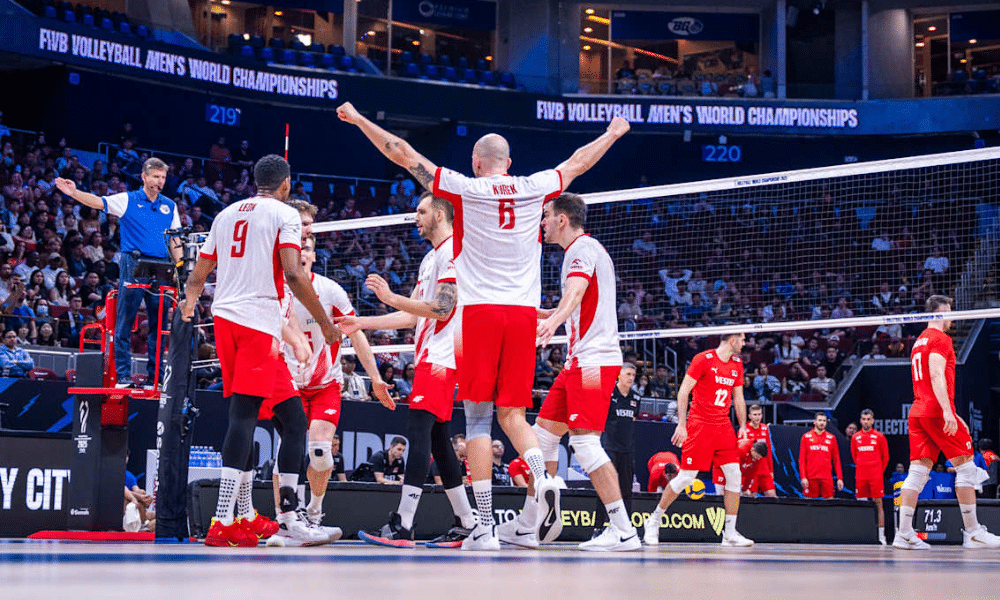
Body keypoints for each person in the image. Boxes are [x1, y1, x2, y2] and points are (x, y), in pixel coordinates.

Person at [337, 101, 630, 550]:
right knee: (513, 414)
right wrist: (612, 135)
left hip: (479, 313)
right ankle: (541, 478)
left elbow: (402, 152)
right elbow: (578, 162)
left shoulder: (463, 188)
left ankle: (484, 529)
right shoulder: (536, 187)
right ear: (509, 164)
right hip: (522, 315)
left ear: (477, 164)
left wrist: (358, 121)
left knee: (477, 418)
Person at [180, 155, 339, 548]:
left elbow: (198, 273)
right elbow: (293, 273)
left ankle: (256, 514)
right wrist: (323, 322)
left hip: (225, 319)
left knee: (291, 419)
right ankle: (222, 521)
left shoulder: (226, 213)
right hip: (256, 322)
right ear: (285, 184)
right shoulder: (283, 214)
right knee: (244, 416)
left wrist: (189, 301)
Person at [337, 191, 476, 547]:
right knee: (438, 440)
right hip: (430, 356)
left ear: (441, 215)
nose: (415, 216)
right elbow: (412, 313)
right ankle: (467, 522)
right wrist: (362, 322)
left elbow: (443, 309)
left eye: (421, 211)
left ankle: (403, 523)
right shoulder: (430, 258)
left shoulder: (454, 253)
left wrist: (391, 297)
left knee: (418, 430)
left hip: (442, 359)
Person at [507, 192, 636, 552]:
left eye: (546, 216)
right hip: (577, 361)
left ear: (562, 219)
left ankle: (623, 530)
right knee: (542, 436)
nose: (542, 222)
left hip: (593, 362)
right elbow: (576, 304)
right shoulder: (583, 251)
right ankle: (529, 526)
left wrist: (554, 323)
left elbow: (576, 295)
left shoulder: (581, 250)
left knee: (584, 442)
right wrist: (537, 316)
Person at [259, 232, 391, 533]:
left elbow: (356, 332)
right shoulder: (276, 291)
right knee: (287, 449)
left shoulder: (330, 291)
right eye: (297, 248)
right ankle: (285, 520)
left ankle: (314, 512)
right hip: (288, 381)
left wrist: (375, 377)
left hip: (324, 386)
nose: (302, 252)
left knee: (320, 451)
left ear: (314, 256)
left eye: (307, 248)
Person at [55, 158, 181, 388]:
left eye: (162, 177)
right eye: (155, 176)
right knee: (125, 321)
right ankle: (123, 377)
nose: (159, 181)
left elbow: (175, 239)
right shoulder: (128, 199)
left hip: (161, 266)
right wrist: (73, 192)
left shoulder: (169, 205)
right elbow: (98, 202)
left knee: (159, 324)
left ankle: (155, 378)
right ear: (144, 177)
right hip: (133, 262)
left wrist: (180, 268)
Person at [894, 295, 1000, 549]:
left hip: (918, 411)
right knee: (965, 467)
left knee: (917, 473)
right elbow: (936, 373)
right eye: (950, 312)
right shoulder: (940, 339)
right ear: (940, 313)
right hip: (935, 411)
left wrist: (950, 411)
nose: (953, 317)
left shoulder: (918, 341)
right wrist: (947, 411)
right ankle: (973, 532)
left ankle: (903, 533)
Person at [642, 333, 754, 547]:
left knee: (734, 475)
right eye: (742, 339)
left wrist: (743, 427)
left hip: (723, 427)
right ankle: (653, 521)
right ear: (732, 340)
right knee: (686, 477)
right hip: (700, 425)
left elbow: (738, 398)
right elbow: (684, 391)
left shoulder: (737, 365)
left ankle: (729, 533)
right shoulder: (703, 359)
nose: (745, 343)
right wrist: (682, 425)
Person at [592, 362, 639, 538]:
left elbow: (632, 420)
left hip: (627, 451)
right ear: (618, 375)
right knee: (605, 489)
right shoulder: (608, 394)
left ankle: (624, 530)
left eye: (633, 375)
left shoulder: (636, 398)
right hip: (609, 449)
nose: (631, 378)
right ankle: (598, 528)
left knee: (626, 491)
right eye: (628, 374)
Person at [852, 409, 889, 545]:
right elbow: (855, 456)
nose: (866, 421)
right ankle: (862, 534)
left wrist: (878, 472)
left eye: (868, 419)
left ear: (872, 420)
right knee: (861, 505)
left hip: (875, 477)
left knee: (879, 505)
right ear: (860, 420)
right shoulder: (855, 437)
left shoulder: (879, 436)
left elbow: (885, 457)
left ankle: (881, 536)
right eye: (863, 419)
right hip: (861, 476)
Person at [798, 413, 844, 499]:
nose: (822, 423)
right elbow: (801, 460)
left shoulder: (831, 438)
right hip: (811, 477)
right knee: (808, 505)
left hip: (826, 478)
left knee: (830, 504)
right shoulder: (806, 437)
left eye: (824, 421)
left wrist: (840, 478)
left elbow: (836, 460)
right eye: (819, 420)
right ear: (814, 422)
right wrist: (803, 477)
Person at [744, 404, 776, 497]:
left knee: (772, 496)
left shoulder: (765, 428)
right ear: (750, 416)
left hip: (764, 469)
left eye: (759, 414)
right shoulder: (744, 430)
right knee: (751, 497)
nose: (757, 417)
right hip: (751, 471)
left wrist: (771, 471)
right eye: (755, 414)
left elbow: (769, 451)